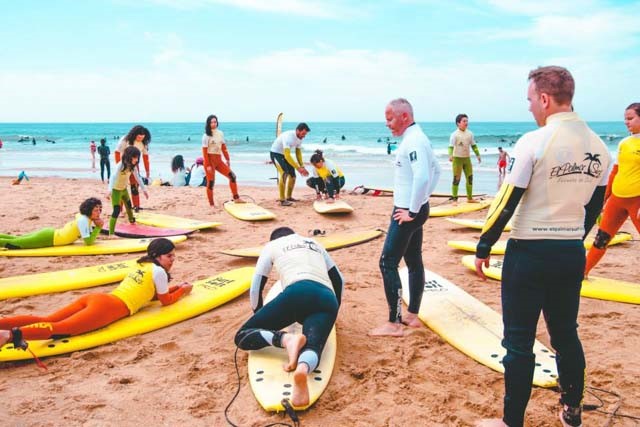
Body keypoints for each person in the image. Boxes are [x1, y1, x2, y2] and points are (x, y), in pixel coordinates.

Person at [473, 66, 611, 427]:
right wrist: (571, 240)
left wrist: (484, 244)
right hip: (569, 253)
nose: (531, 108)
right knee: (566, 334)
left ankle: (511, 422)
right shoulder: (599, 147)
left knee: (518, 342)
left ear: (546, 99)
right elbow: (595, 208)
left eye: (531, 100)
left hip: (529, 253)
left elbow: (507, 201)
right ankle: (572, 411)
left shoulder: (533, 141)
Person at [0, 238, 192, 350]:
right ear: (157, 256)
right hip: (108, 308)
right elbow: (165, 301)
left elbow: (152, 296)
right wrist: (182, 291)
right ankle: (8, 335)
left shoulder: (144, 264)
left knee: (47, 318)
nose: (172, 260)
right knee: (61, 328)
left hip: (98, 298)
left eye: (174, 255)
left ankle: (4, 324)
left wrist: (176, 287)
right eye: (169, 256)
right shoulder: (159, 272)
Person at [234, 227, 344, 408]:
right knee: (314, 346)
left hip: (297, 292)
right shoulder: (315, 243)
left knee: (242, 337)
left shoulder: (272, 245)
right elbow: (339, 279)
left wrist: (260, 315)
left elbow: (256, 286)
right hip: (327, 297)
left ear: (274, 237)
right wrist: (334, 311)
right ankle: (302, 369)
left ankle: (286, 340)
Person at [370, 98, 440, 337]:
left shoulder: (413, 141)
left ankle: (394, 323)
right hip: (414, 209)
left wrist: (412, 210)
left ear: (404, 117)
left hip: (406, 212)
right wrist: (420, 203)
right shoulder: (418, 138)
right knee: (413, 260)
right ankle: (412, 315)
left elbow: (422, 177)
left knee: (387, 262)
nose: (387, 124)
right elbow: (436, 170)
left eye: (390, 118)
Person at [584, 102, 640, 277]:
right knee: (601, 239)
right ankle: (582, 273)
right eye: (625, 119)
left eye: (630, 118)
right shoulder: (624, 143)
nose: (626, 122)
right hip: (617, 199)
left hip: (637, 201)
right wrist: (604, 198)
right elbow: (615, 172)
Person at [0, 197, 104, 249]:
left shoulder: (85, 218)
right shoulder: (84, 221)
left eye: (100, 209)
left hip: (50, 234)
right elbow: (88, 242)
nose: (99, 212)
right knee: (16, 244)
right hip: (49, 238)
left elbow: (88, 235)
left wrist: (95, 224)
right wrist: (99, 227)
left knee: (16, 238)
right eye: (95, 210)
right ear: (89, 210)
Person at [201, 114, 244, 209]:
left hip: (219, 161)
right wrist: (207, 165)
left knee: (232, 176)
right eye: (211, 122)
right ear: (208, 123)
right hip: (210, 161)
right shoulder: (206, 136)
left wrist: (227, 158)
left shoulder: (220, 133)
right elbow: (204, 152)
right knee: (211, 183)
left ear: (217, 122)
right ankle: (211, 204)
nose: (214, 124)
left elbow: (224, 147)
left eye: (215, 122)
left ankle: (236, 198)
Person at [107, 146, 148, 235]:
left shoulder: (133, 167)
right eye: (135, 157)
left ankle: (132, 222)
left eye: (137, 157)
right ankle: (111, 233)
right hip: (116, 191)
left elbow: (138, 178)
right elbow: (113, 177)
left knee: (129, 207)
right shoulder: (121, 165)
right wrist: (109, 190)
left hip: (124, 189)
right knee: (116, 210)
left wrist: (144, 190)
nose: (136, 159)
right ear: (129, 156)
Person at [270, 123, 310, 206]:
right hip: (276, 154)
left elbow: (298, 153)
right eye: (303, 134)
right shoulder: (288, 137)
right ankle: (282, 200)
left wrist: (302, 166)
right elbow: (287, 156)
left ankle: (288, 197)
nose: (304, 136)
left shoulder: (300, 138)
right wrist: (298, 168)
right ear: (297, 130)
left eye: (305, 134)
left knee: (293, 176)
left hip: (284, 155)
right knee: (284, 173)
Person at [115, 125, 151, 211]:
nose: (140, 139)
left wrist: (147, 171)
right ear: (134, 134)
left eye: (142, 137)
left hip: (134, 165)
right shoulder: (125, 139)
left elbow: (145, 157)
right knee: (121, 186)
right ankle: (120, 208)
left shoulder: (144, 143)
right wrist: (119, 167)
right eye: (139, 137)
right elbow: (117, 153)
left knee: (135, 186)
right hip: (123, 164)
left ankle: (136, 206)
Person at [448, 113, 481, 202]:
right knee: (456, 179)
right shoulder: (454, 134)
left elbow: (474, 145)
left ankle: (469, 198)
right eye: (464, 121)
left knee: (470, 178)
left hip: (467, 159)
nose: (466, 123)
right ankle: (454, 199)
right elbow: (450, 147)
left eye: (467, 121)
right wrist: (450, 155)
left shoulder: (470, 133)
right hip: (457, 159)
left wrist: (478, 155)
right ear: (458, 123)